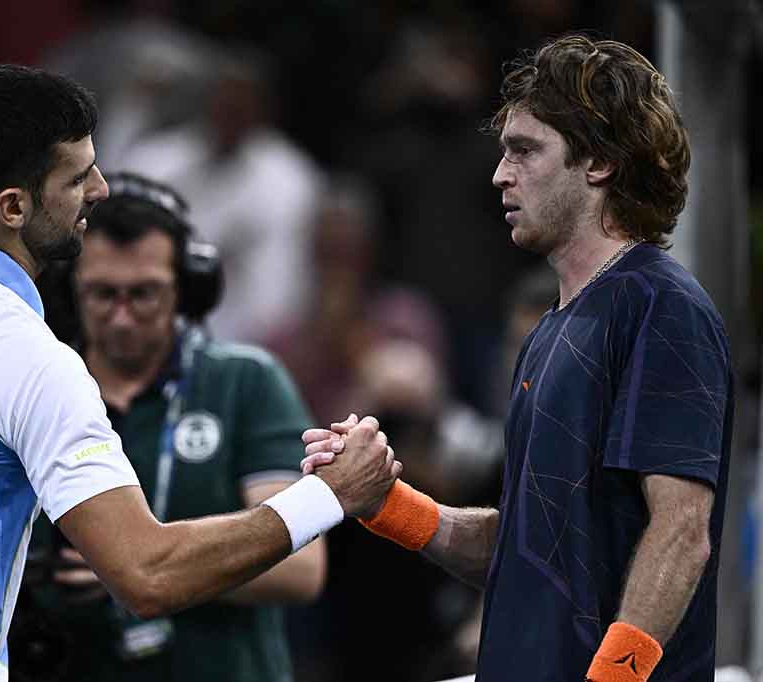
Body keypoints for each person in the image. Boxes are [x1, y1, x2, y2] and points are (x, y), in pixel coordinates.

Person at [0, 64, 398, 682]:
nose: (101, 189)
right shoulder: (32, 359)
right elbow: (146, 574)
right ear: (13, 208)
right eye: (78, 177)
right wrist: (330, 496)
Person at [303, 35, 733, 682]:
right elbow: (530, 552)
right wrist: (384, 502)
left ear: (600, 163)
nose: (501, 174)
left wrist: (614, 678)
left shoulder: (661, 306)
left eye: (525, 151)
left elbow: (681, 534)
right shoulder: (549, 329)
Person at [11, 172, 325, 682]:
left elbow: (302, 568)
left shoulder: (244, 382)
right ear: (70, 292)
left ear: (187, 290)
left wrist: (133, 565)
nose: (121, 317)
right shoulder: (33, 390)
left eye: (144, 294)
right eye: (102, 294)